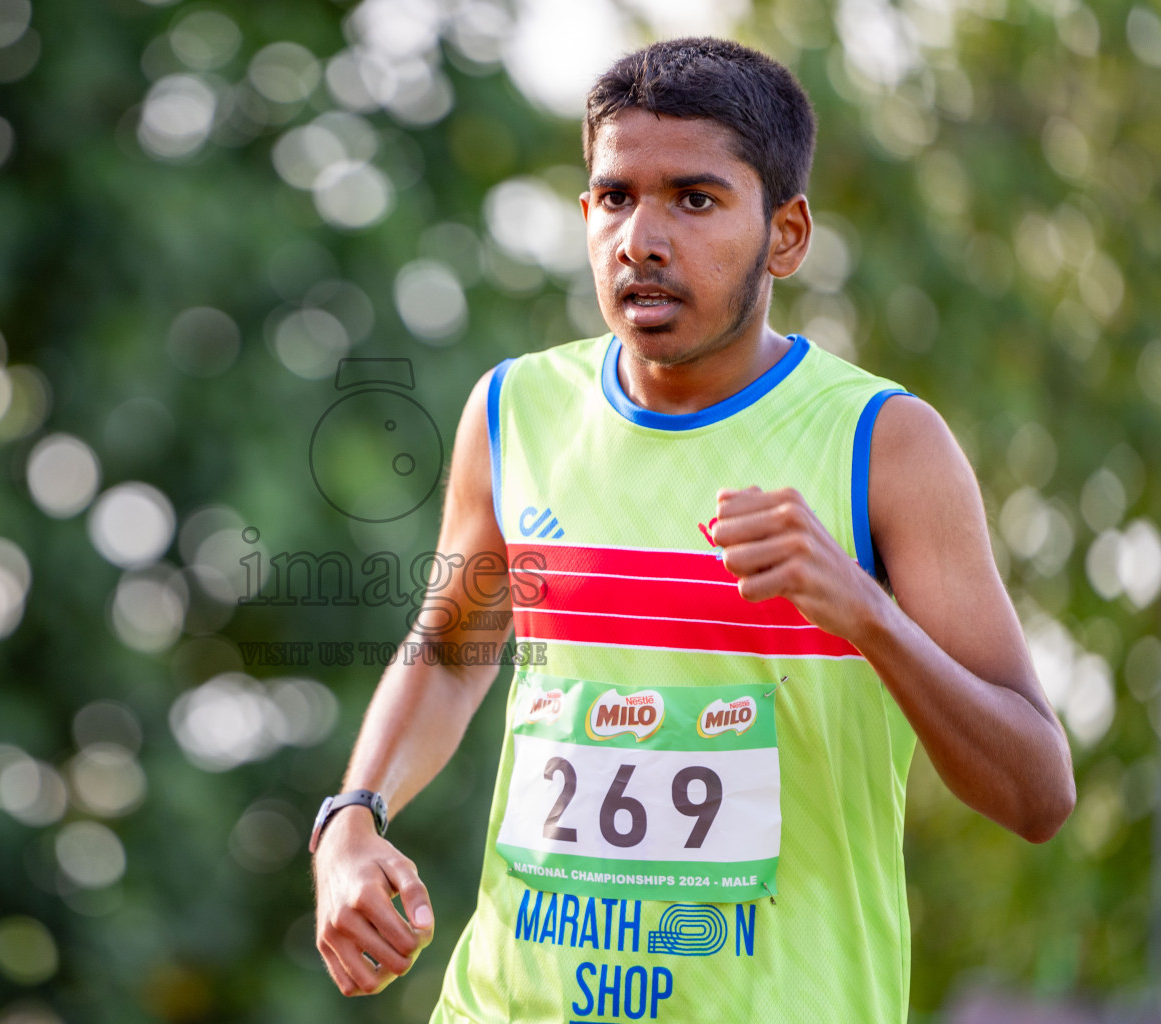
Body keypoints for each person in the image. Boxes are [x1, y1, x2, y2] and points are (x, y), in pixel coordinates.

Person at [309, 37, 1075, 1023]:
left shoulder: (885, 444)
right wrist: (352, 819)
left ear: (786, 235)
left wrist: (870, 616)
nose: (643, 238)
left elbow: (1037, 794)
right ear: (586, 215)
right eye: (617, 196)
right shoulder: (513, 410)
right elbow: (456, 652)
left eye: (695, 199)